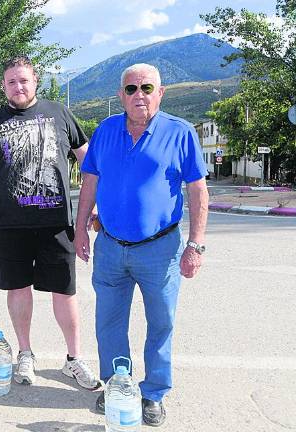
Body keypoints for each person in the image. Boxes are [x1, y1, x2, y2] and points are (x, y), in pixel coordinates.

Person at [74, 63, 209, 426]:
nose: (139, 95)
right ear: (120, 94)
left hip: (160, 250)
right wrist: (79, 229)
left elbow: (198, 192)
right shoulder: (105, 130)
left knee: (161, 322)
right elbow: (90, 181)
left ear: (160, 93)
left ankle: (153, 393)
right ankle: (119, 385)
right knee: (109, 322)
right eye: (131, 89)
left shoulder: (180, 133)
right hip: (111, 247)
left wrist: (196, 245)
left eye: (147, 88)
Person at [0, 55, 101, 390]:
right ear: (4, 85)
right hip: (10, 227)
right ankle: (25, 353)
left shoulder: (59, 113)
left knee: (65, 292)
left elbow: (92, 164)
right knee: (18, 289)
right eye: (11, 81)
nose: (18, 87)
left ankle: (74, 359)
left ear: (35, 81)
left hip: (56, 224)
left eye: (23, 80)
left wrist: (96, 208)